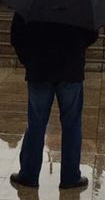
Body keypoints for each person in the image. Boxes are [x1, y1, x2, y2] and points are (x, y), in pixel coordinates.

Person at [8, 14, 98, 189]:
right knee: (72, 124)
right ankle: (70, 176)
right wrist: (75, 47)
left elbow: (16, 35)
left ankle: (28, 174)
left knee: (36, 123)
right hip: (70, 67)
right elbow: (92, 33)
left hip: (39, 67)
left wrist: (28, 59)